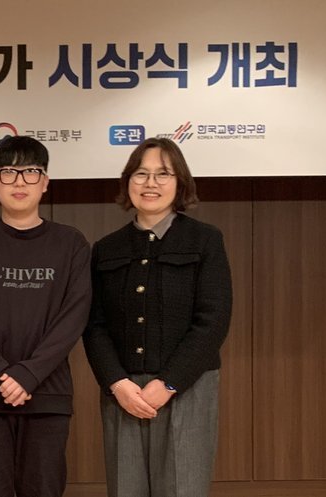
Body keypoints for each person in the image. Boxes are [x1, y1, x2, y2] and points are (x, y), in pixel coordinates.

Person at [83, 137, 232, 497]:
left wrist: (168, 384)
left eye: (163, 174)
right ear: (127, 182)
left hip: (187, 387)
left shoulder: (205, 240)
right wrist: (116, 383)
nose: (151, 183)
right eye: (141, 174)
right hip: (124, 393)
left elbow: (213, 319)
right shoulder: (106, 248)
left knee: (182, 489)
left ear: (180, 182)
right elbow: (93, 325)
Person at [0, 135, 91, 497]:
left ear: (45, 182)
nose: (20, 182)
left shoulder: (71, 243)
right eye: (8, 173)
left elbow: (74, 316)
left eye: (31, 172)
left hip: (48, 395)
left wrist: (28, 374)